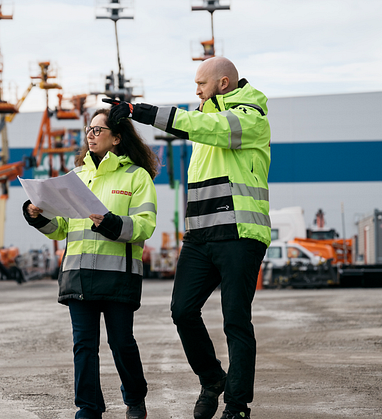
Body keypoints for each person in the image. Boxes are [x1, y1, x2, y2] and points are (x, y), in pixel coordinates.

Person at [107, 56, 271, 419]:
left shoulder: (250, 117)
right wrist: (132, 118)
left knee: (235, 321)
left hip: (240, 234)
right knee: (182, 310)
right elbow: (197, 127)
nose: (196, 90)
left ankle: (237, 405)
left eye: (201, 83)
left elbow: (205, 126)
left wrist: (141, 110)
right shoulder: (208, 121)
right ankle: (212, 378)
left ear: (223, 83)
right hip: (200, 236)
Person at [22, 107, 159, 419]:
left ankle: (135, 399)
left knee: (121, 343)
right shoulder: (76, 178)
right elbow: (60, 230)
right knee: (84, 346)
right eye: (90, 130)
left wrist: (110, 223)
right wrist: (38, 216)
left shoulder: (136, 177)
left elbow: (145, 225)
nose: (91, 134)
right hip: (78, 275)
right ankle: (88, 408)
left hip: (118, 277)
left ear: (116, 138)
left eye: (99, 130)